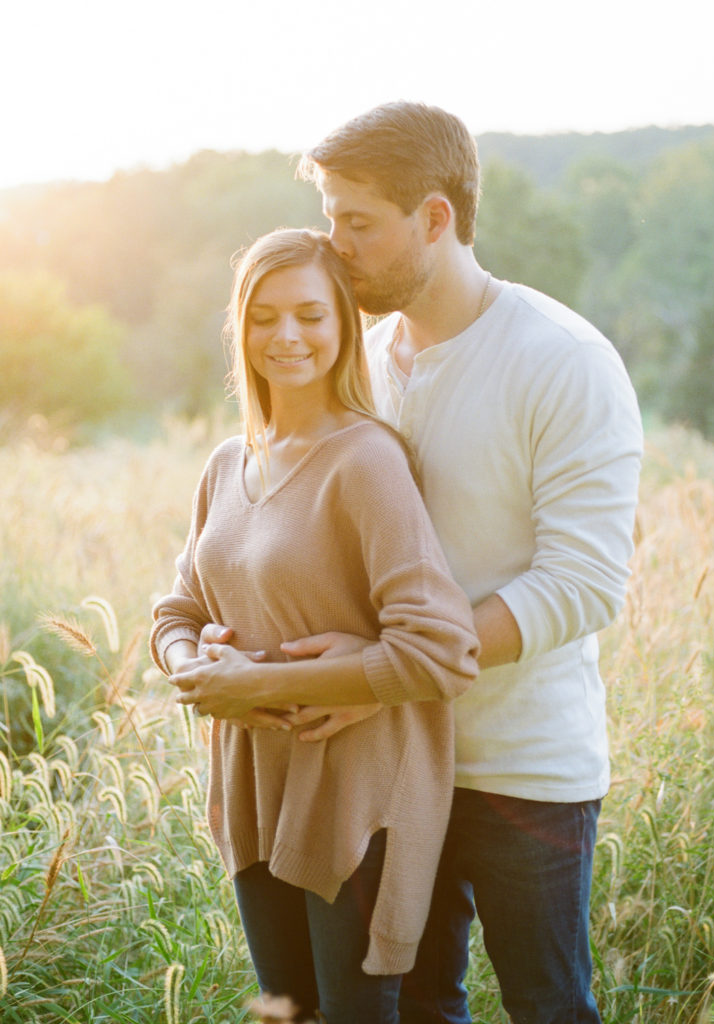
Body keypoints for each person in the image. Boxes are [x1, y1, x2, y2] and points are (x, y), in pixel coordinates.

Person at [290, 102, 643, 1024]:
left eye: (357, 222)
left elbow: (583, 583)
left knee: (548, 1007)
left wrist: (379, 677)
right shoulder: (358, 361)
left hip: (522, 765)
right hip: (392, 762)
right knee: (413, 1009)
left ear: (435, 218)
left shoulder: (562, 360)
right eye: (330, 218)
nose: (335, 246)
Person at [150, 228, 479, 1024]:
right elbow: (175, 613)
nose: (285, 336)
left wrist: (255, 684)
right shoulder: (228, 464)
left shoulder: (365, 458)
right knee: (288, 1012)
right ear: (240, 328)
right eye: (263, 317)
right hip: (254, 787)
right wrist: (196, 669)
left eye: (309, 315)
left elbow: (439, 650)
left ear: (342, 329)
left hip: (356, 792)